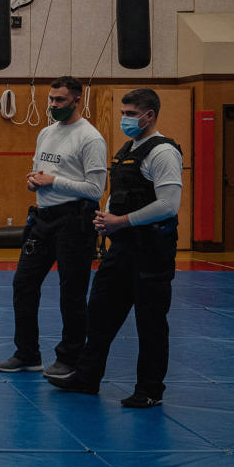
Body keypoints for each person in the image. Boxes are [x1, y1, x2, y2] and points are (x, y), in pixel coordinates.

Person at [48, 88, 183, 408]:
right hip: (120, 249)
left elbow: (168, 204)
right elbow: (118, 191)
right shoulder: (127, 149)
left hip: (151, 251)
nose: (124, 119)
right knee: (99, 314)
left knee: (150, 323)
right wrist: (105, 217)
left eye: (130, 114)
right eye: (123, 113)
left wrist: (120, 221)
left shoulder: (163, 153)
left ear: (149, 115)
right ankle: (87, 377)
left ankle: (149, 389)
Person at [0, 75, 107, 377]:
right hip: (43, 219)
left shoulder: (90, 137)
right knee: (23, 283)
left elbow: (96, 189)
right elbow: (41, 172)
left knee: (71, 292)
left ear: (76, 100)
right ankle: (28, 353)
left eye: (60, 100)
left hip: (75, 221)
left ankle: (70, 357)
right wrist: (34, 181)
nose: (54, 105)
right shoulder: (45, 133)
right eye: (51, 99)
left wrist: (54, 180)